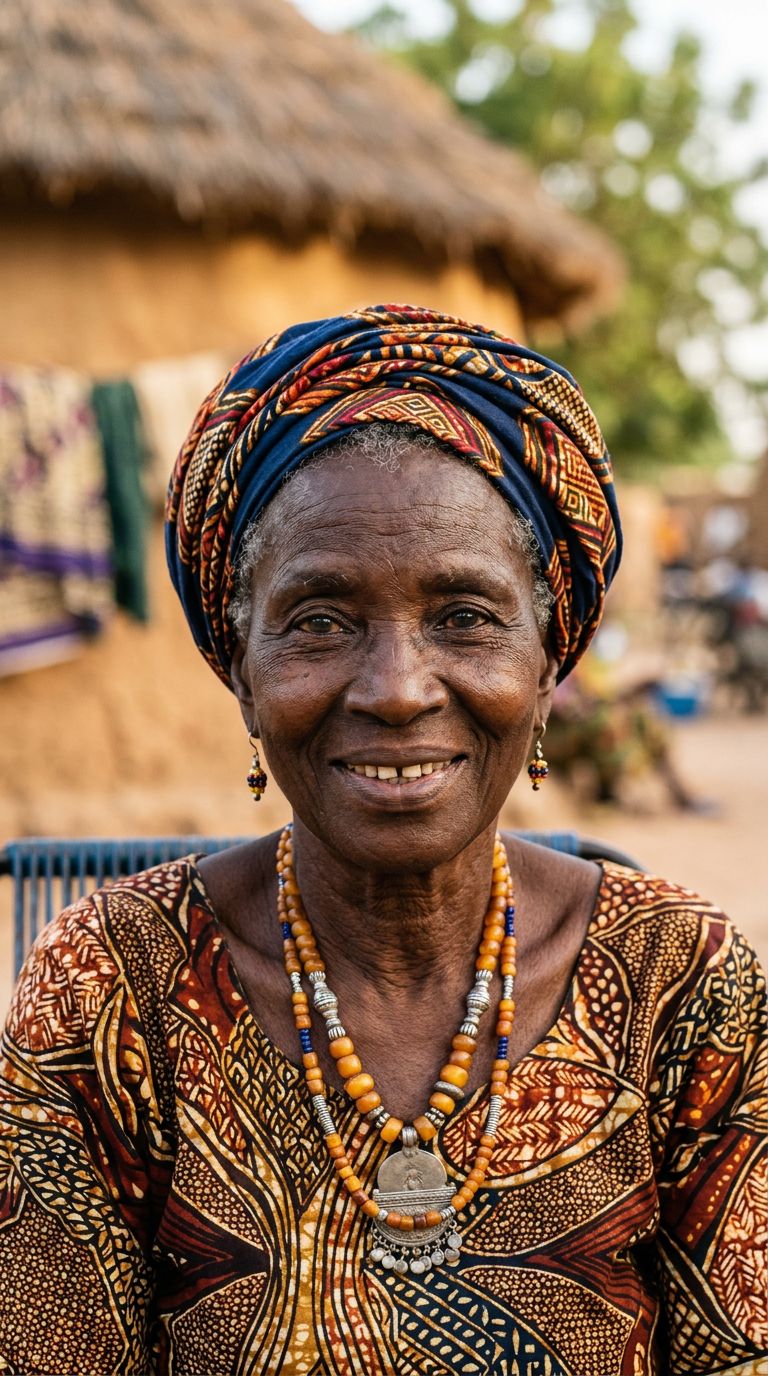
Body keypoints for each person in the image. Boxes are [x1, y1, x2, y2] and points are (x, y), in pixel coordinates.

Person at [0, 305, 765, 1376]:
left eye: (465, 614)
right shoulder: (107, 989)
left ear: (550, 661)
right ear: (241, 667)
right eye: (319, 619)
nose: (399, 688)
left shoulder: (684, 984)